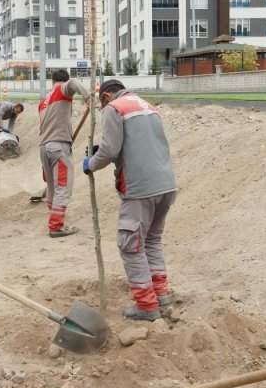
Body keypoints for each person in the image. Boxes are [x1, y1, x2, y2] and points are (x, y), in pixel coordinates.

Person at [84, 79, 177, 321]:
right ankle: (161, 296)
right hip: (165, 184)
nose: (102, 108)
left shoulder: (114, 109)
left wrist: (91, 164)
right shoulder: (147, 106)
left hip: (139, 187)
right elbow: (137, 144)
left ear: (106, 97)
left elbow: (109, 151)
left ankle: (147, 306)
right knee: (152, 241)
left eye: (101, 104)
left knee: (131, 245)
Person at [38, 68, 91, 238]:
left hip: (44, 147)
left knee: (52, 187)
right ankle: (55, 227)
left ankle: (54, 218)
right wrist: (88, 98)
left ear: (51, 81)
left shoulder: (43, 101)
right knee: (63, 186)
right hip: (58, 146)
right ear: (63, 81)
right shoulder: (62, 89)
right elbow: (74, 83)